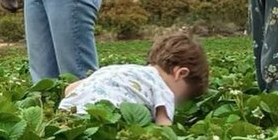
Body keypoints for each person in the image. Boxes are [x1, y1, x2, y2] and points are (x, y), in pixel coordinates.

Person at [58, 31, 209, 125]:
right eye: (182, 96)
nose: (176, 102)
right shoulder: (162, 88)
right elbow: (164, 127)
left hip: (66, 114)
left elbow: (70, 88)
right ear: (180, 73)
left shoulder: (120, 69)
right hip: (100, 122)